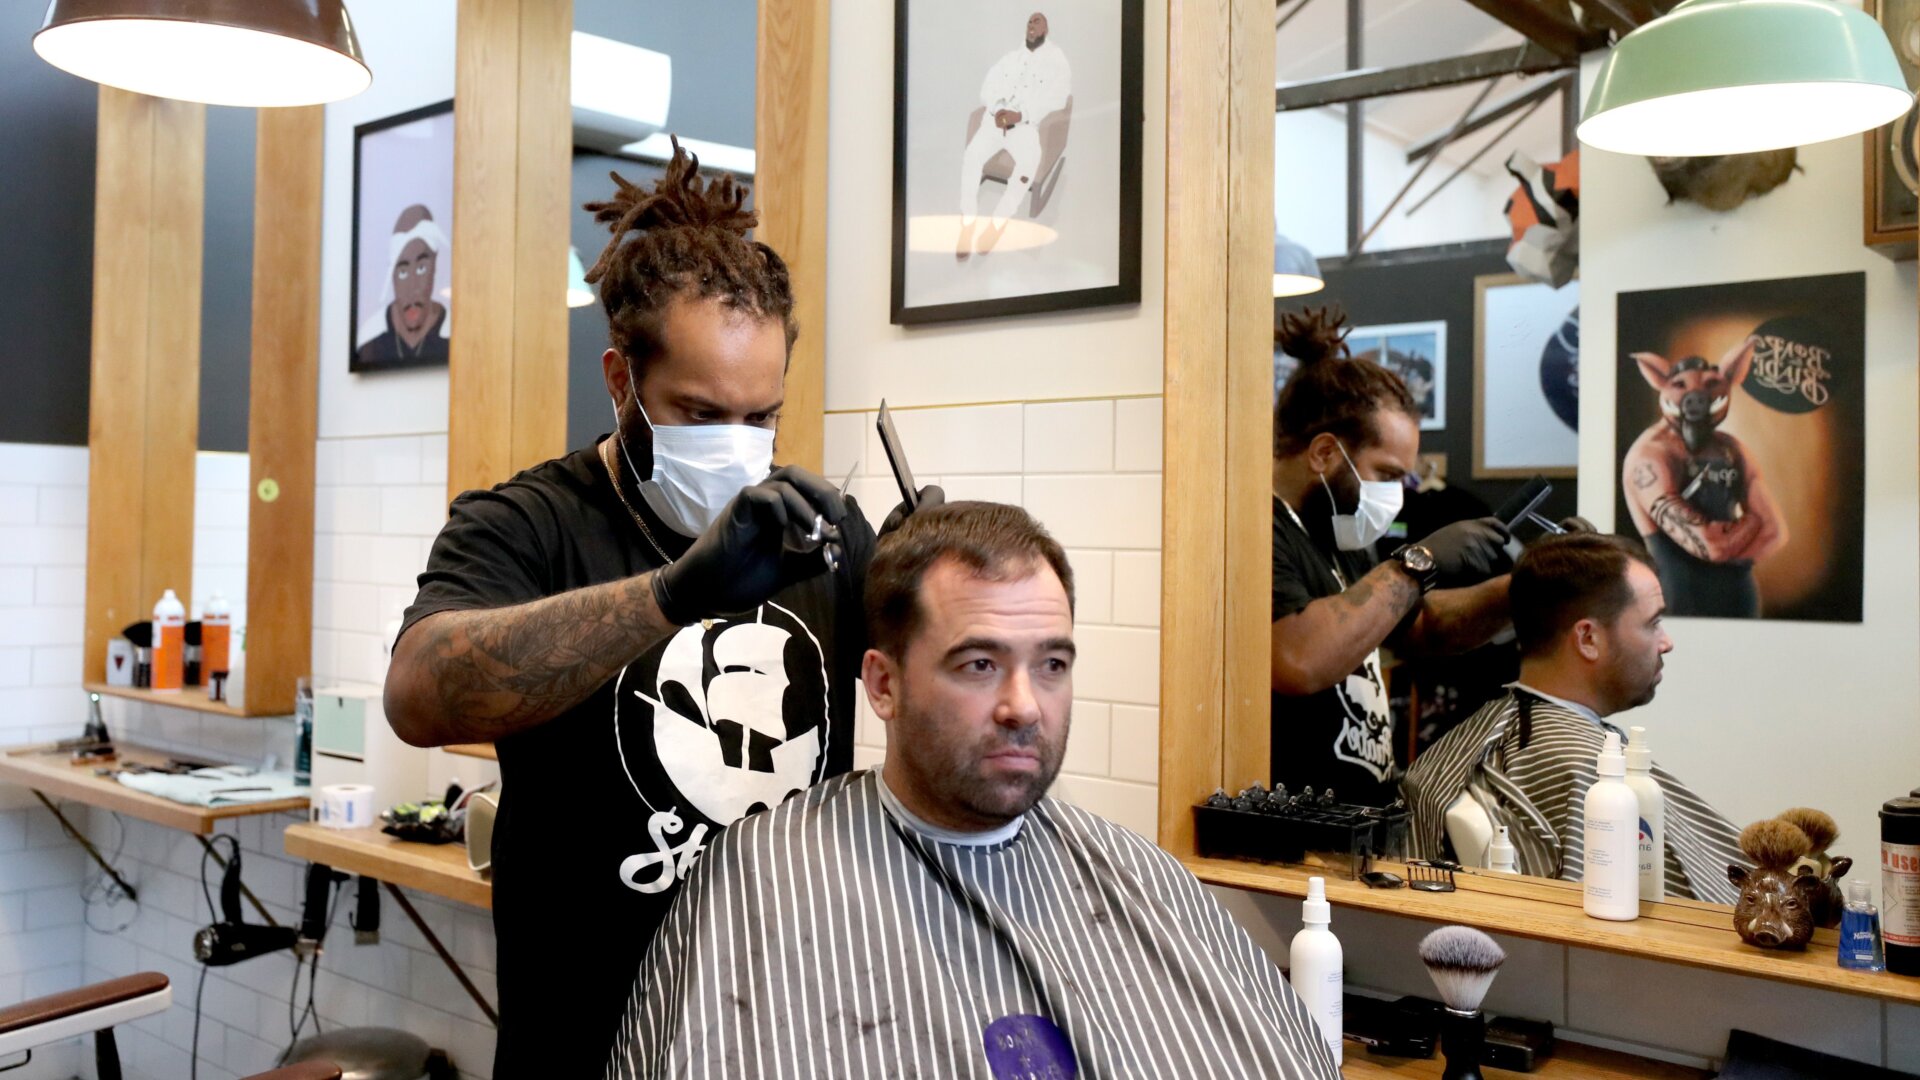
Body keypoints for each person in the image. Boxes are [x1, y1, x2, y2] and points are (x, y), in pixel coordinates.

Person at [383, 141, 933, 1075]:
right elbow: (421, 695)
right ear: (619, 379)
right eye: (699, 414)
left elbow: (921, 695)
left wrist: (952, 600)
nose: (737, 447)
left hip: (786, 1035)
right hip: (586, 1042)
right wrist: (672, 595)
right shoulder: (527, 525)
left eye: (761, 418)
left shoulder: (824, 532)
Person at [607, 502, 1340, 1079]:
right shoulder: (765, 878)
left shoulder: (1136, 876)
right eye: (980, 665)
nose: (1025, 705)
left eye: (1052, 664)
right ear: (883, 685)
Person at [1400, 532, 1743, 903]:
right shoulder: (1583, 766)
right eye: (1652, 623)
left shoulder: (1499, 734)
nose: (1666, 642)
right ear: (1588, 639)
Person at [1269, 307, 1514, 807]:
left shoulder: (1342, 532)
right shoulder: (1257, 528)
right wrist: (1416, 563)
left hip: (1363, 822)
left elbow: (1420, 629)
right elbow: (1297, 659)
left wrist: (1524, 589)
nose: (1396, 494)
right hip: (1295, 836)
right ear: (1323, 453)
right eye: (1385, 473)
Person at [956, 10, 1071, 259]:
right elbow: (988, 86)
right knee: (972, 156)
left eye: (1037, 22)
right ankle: (968, 222)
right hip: (995, 121)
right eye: (1029, 21)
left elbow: (1059, 97)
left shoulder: (1056, 59)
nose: (1032, 25)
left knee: (1028, 164)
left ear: (1046, 30)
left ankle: (997, 224)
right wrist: (997, 109)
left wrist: (1023, 114)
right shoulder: (1010, 58)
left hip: (1025, 126)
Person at [356, 203, 450, 367]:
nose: (413, 288)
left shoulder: (457, 334)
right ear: (391, 275)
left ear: (434, 265)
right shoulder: (369, 339)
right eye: (403, 272)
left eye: (421, 269)